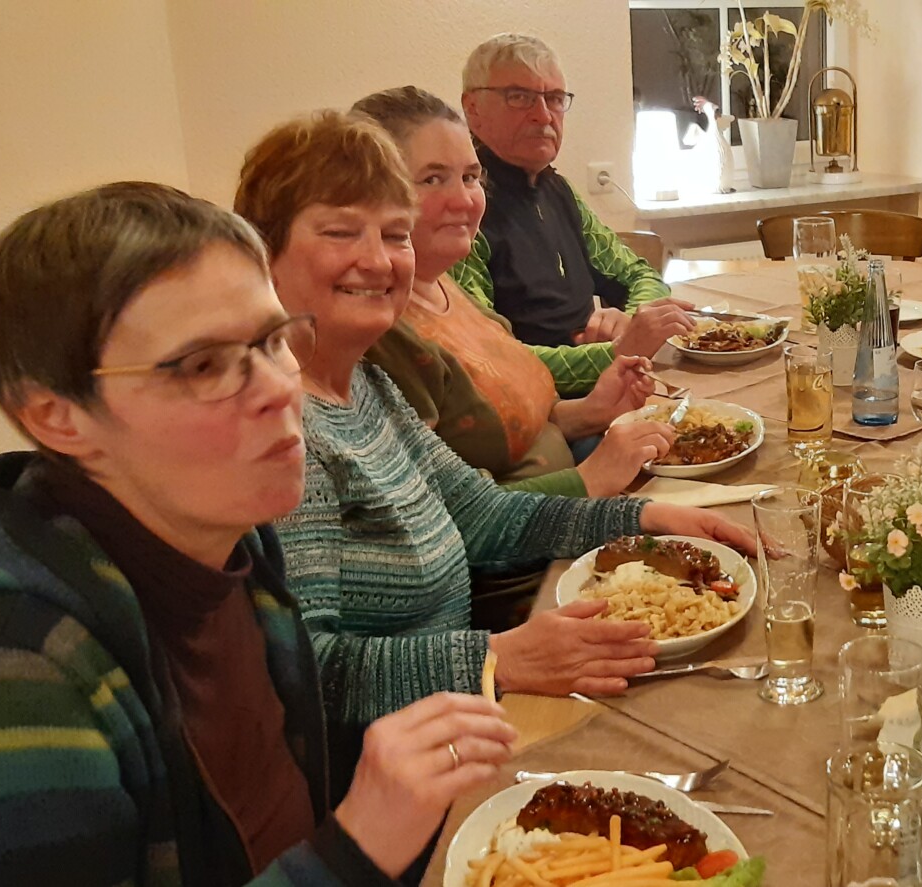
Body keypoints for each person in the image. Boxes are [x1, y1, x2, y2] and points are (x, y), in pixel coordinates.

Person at [0, 182, 515, 884]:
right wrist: (357, 846)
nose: (279, 388)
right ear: (57, 417)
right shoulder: (0, 671)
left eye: (272, 340)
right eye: (204, 364)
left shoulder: (236, 543)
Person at [231, 112, 756, 738]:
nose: (378, 260)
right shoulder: (283, 430)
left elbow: (482, 516)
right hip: (399, 762)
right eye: (341, 232)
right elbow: (305, 673)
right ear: (263, 253)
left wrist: (643, 519)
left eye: (396, 234)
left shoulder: (366, 386)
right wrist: (496, 658)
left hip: (464, 716)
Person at [352, 86, 670, 498]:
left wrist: (591, 412)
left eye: (470, 177)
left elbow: (521, 424)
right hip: (546, 523)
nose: (464, 200)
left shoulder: (447, 286)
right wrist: (590, 478)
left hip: (576, 466)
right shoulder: (382, 332)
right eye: (432, 179)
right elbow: (449, 513)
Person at [459, 32, 693, 392]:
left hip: (611, 388)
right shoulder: (461, 211)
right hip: (545, 413)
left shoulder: (558, 190)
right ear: (473, 109)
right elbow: (487, 361)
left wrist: (631, 321)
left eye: (554, 99)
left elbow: (639, 274)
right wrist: (616, 353)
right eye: (519, 97)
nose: (543, 115)